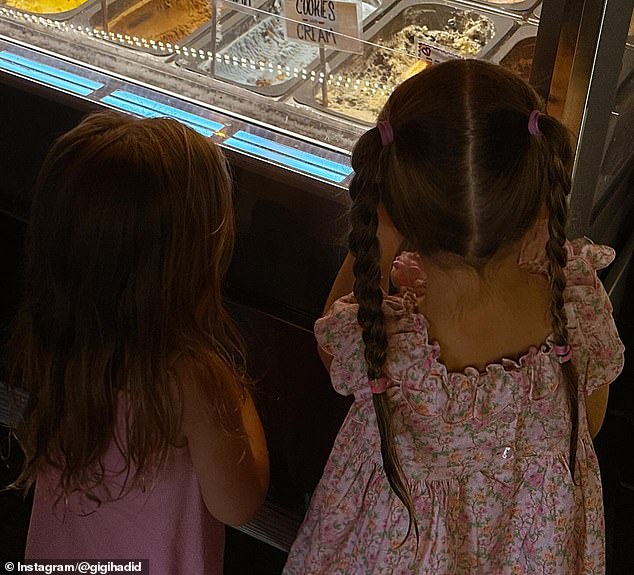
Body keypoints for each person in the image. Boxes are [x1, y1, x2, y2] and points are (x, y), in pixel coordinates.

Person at [283, 59, 625, 574]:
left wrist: (373, 245)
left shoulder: (385, 329)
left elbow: (331, 346)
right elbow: (590, 424)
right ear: (536, 193)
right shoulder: (572, 297)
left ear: (392, 206)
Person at [6, 111, 269, 574]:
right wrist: (234, 393)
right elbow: (238, 503)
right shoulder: (192, 376)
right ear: (191, 260)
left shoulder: (57, 341)